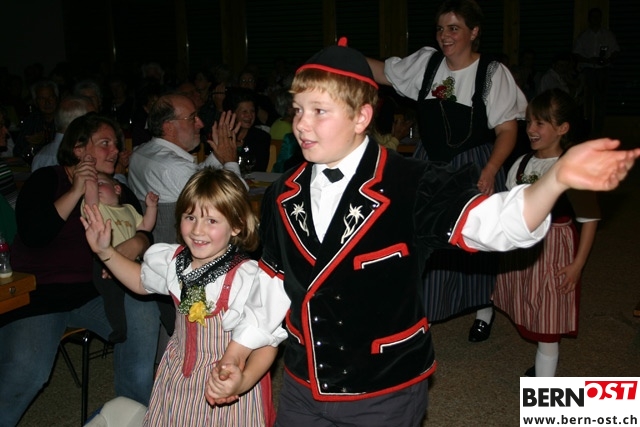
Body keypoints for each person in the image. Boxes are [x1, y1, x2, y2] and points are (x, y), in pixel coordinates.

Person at [203, 38, 640, 427]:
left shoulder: (412, 183)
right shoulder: (282, 193)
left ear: (362, 116)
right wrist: (237, 355)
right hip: (303, 386)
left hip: (384, 391)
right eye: (298, 109)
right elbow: (274, 284)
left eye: (320, 111)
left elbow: (496, 222)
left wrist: (556, 179)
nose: (301, 124)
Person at [367, 0, 528, 341]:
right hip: (429, 162)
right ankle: (419, 313)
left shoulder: (492, 73)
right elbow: (382, 72)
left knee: (474, 239)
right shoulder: (427, 64)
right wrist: (341, 57)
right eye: (441, 28)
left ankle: (483, 308)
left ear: (474, 32)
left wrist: (490, 170)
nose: (445, 35)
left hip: (474, 164)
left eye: (454, 28)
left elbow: (507, 130)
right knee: (421, 237)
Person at [82, 168, 288, 426]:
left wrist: (243, 382)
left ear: (236, 225)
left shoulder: (245, 277)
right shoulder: (174, 261)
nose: (198, 230)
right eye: (190, 217)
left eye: (211, 220)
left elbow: (266, 343)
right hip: (177, 375)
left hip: (224, 381)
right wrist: (106, 252)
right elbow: (140, 281)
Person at [0, 113, 161, 427]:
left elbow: (144, 229)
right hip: (42, 295)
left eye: (115, 144)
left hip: (97, 293)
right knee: (27, 372)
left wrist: (136, 243)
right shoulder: (47, 179)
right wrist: (76, 190)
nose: (115, 150)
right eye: (105, 143)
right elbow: (33, 234)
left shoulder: (117, 189)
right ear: (78, 149)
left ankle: (133, 414)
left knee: (144, 306)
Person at [492, 89, 600, 377]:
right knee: (528, 303)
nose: (530, 129)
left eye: (540, 123)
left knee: (549, 323)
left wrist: (578, 265)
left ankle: (544, 387)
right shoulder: (521, 163)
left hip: (554, 247)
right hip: (522, 247)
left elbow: (589, 219)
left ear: (562, 128)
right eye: (529, 122)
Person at [82, 172, 159, 341]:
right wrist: (90, 180)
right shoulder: (96, 208)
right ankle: (118, 327)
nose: (95, 185)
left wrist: (151, 207)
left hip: (132, 260)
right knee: (113, 295)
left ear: (117, 189)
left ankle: (171, 322)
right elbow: (91, 195)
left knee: (155, 285)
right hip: (104, 262)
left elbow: (145, 226)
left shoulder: (129, 209)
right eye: (92, 183)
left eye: (100, 183)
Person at [572, 7, 619, 138]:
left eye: (598, 17)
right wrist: (589, 60)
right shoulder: (584, 36)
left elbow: (616, 51)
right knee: (587, 101)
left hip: (603, 71)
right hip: (588, 71)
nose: (595, 19)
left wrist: (607, 60)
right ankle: (587, 130)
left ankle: (599, 132)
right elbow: (575, 54)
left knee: (601, 102)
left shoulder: (607, 35)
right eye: (593, 17)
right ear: (589, 19)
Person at [31, 94, 96, 171]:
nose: (97, 123)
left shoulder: (41, 156)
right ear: (77, 123)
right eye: (93, 119)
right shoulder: (85, 156)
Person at [222, 88, 271, 173]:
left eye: (252, 111)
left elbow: (259, 169)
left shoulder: (261, 137)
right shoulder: (222, 135)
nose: (249, 116)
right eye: (244, 112)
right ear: (233, 113)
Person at [14, 80, 58, 160]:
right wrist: (32, 145)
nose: (47, 102)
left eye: (51, 97)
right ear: (35, 102)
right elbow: (18, 151)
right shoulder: (31, 121)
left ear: (57, 98)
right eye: (42, 99)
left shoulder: (66, 120)